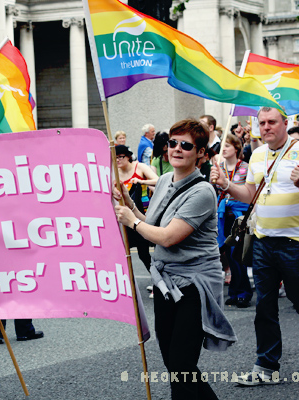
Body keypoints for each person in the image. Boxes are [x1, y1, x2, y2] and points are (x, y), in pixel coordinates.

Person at [210, 106, 299, 384]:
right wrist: (226, 185)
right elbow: (250, 193)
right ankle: (266, 367)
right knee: (264, 306)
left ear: (284, 123)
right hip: (263, 242)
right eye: (262, 123)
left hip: (295, 243)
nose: (266, 127)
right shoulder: (257, 154)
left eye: (272, 122)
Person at [115, 118, 236, 399]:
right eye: (172, 143)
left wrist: (132, 221)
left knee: (182, 363)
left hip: (195, 285)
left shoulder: (203, 191)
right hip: (167, 282)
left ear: (201, 154)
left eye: (186, 145)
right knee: (173, 363)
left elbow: (168, 237)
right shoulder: (166, 180)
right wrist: (127, 201)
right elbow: (152, 226)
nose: (177, 149)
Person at [215, 134, 252, 308]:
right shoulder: (218, 167)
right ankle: (235, 292)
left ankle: (244, 292)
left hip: (239, 215)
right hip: (224, 216)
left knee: (238, 254)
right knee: (228, 255)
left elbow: (248, 191)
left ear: (236, 148)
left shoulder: (245, 167)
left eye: (228, 145)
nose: (224, 148)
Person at [116, 145, 158, 273]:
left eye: (120, 157)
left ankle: (158, 282)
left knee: (145, 252)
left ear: (128, 156)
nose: (117, 160)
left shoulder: (139, 167)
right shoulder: (115, 172)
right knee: (125, 254)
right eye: (115, 158)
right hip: (126, 215)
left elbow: (158, 180)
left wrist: (141, 182)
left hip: (143, 211)